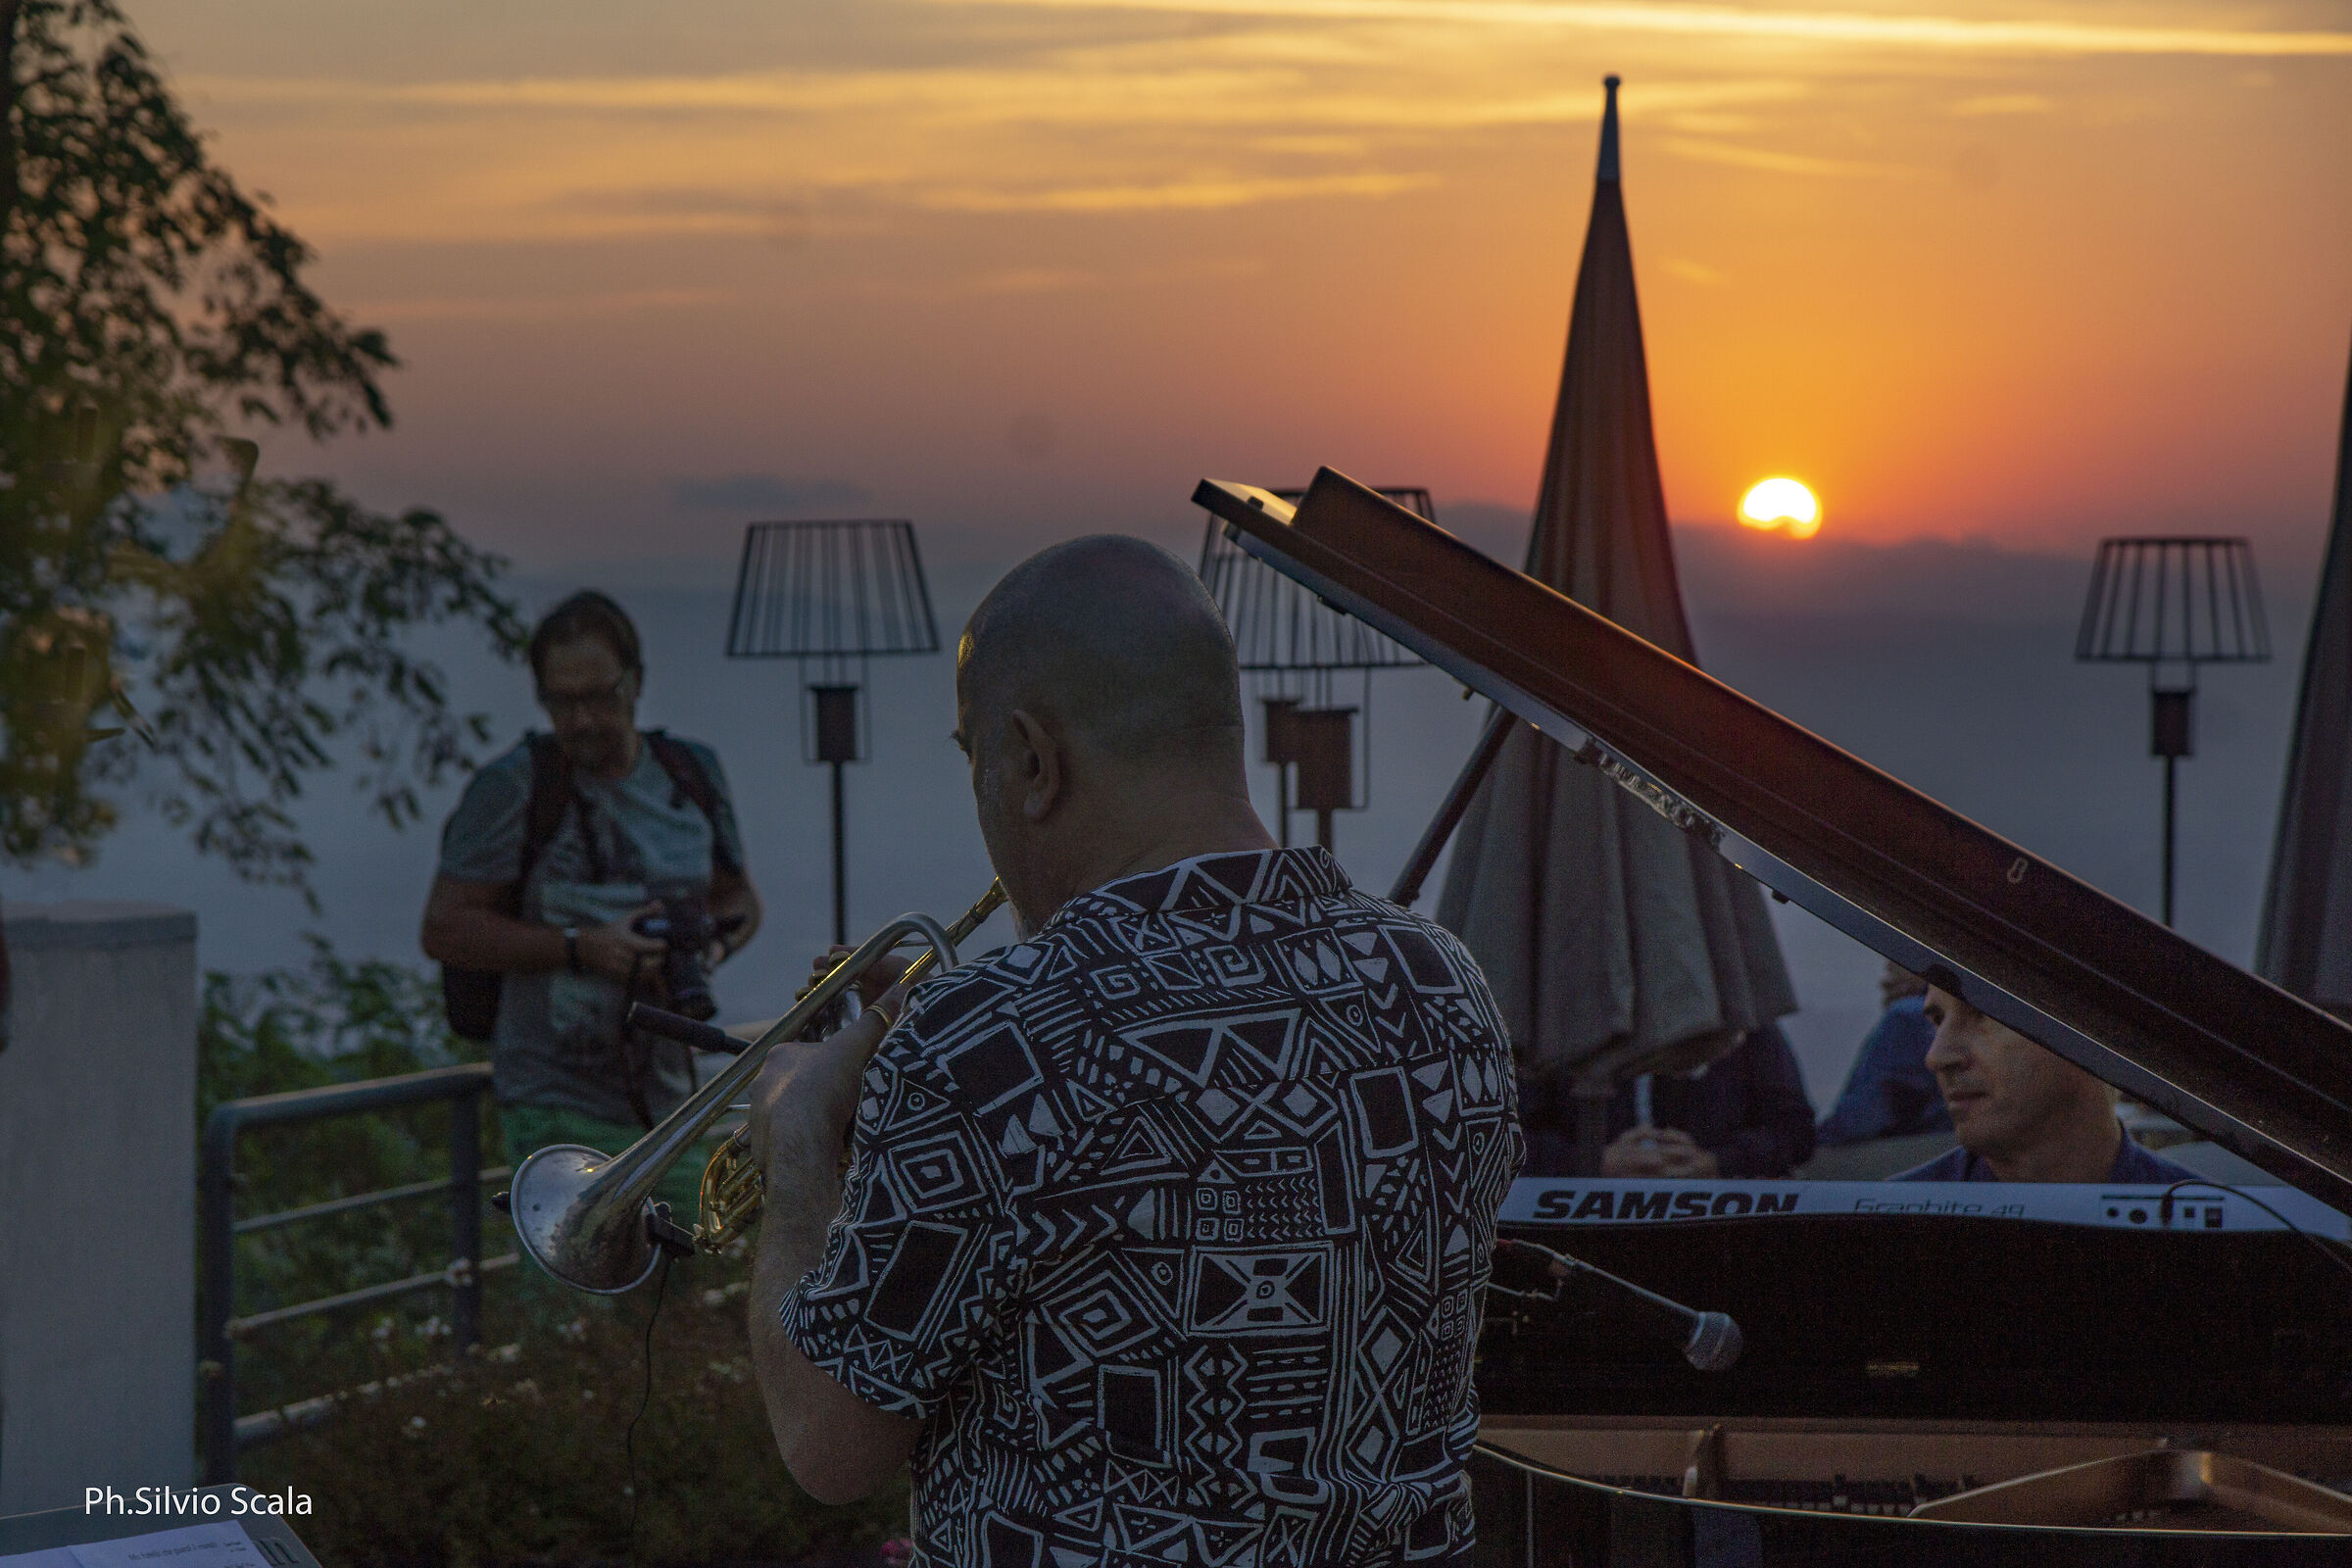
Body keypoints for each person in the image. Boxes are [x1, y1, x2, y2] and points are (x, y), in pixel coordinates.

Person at [742, 536, 1525, 1565]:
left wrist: (797, 1140)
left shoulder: (997, 1040)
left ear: (1029, 759)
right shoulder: (1442, 984)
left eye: (975, 760)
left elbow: (829, 1445)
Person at [421, 591, 760, 1209]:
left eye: (597, 697)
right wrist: (582, 949)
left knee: (689, 1273)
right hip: (556, 1103)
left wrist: (706, 949)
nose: (578, 721)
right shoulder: (513, 788)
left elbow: (739, 899)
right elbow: (444, 928)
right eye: (561, 701)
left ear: (634, 683)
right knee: (580, 1298)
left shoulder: (692, 773)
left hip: (672, 1098)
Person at [1894, 983, 2197, 1184]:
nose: (1936, 1057)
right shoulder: (1886, 1230)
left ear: (2092, 1029)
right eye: (1937, 1020)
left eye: (1984, 1012)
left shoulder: (2216, 1236)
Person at [1589, 1023, 1815, 1179]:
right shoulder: (1572, 1023)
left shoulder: (1748, 1027)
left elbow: (1797, 1133)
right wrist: (1596, 1163)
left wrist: (1718, 1163)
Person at [1816, 960, 1950, 1147]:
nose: (1884, 982)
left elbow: (1864, 1118)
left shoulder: (1907, 1018)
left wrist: (1812, 1146)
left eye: (1899, 961)